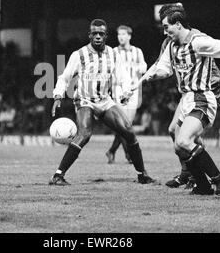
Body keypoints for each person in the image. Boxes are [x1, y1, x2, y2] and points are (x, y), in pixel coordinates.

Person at [140, 7, 220, 195]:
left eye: (167, 28)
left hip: (202, 97)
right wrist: (149, 78)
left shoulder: (197, 41)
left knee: (184, 140)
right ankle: (202, 186)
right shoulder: (172, 45)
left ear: (178, 24)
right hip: (187, 98)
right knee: (179, 146)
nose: (165, 32)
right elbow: (163, 68)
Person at [49, 19, 154, 185]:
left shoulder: (113, 54)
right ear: (89, 35)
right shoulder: (79, 55)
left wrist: (126, 92)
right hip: (84, 100)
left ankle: (142, 175)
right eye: (94, 33)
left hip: (105, 101)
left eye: (101, 34)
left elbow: (123, 77)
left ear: (106, 36)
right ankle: (58, 175)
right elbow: (65, 77)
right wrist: (58, 96)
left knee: (128, 131)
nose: (98, 36)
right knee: (84, 134)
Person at [106, 25, 147, 164]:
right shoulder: (113, 51)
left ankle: (111, 151)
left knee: (126, 124)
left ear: (129, 36)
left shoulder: (137, 51)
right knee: (124, 124)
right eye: (119, 34)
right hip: (118, 90)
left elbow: (144, 66)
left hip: (134, 91)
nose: (121, 37)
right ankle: (129, 155)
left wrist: (139, 68)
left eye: (123, 34)